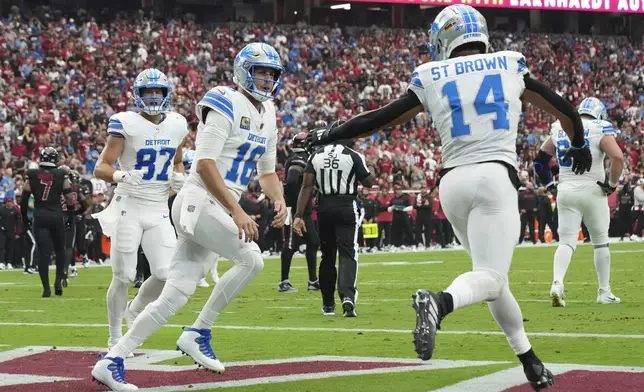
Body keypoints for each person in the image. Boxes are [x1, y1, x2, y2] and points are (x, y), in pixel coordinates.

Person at [306, 5, 594, 390]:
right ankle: (439, 303)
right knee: (490, 277)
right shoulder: (509, 64)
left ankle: (529, 360)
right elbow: (566, 111)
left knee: (489, 278)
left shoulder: (431, 74)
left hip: (453, 184)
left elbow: (379, 119)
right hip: (494, 177)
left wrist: (329, 134)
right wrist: (578, 145)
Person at [91, 43, 287, 391]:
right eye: (261, 71)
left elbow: (267, 170)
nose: (267, 78)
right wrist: (237, 210)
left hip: (216, 204)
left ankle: (112, 359)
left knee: (175, 293)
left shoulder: (269, 113)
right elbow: (205, 163)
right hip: (200, 199)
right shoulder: (225, 101)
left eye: (272, 73)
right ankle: (199, 331)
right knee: (251, 259)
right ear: (244, 70)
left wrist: (279, 199)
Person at [91, 68, 189, 354]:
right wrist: (120, 176)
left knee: (165, 272)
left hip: (159, 206)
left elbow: (177, 162)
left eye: (158, 92)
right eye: (148, 92)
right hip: (130, 206)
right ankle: (114, 337)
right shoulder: (125, 123)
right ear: (138, 95)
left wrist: (178, 178)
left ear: (166, 94)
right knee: (123, 275)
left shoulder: (177, 124)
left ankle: (134, 310)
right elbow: (101, 166)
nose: (154, 97)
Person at [535, 97, 624, 306]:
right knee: (600, 242)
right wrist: (611, 184)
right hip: (593, 190)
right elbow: (618, 158)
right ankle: (604, 292)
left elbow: (539, 162)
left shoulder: (560, 127)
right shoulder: (599, 127)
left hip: (565, 190)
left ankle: (557, 283)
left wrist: (549, 184)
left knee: (566, 242)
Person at [293, 136, 375, 317]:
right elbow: (369, 182)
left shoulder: (316, 155)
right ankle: (347, 297)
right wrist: (370, 167)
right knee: (347, 253)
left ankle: (328, 304)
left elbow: (307, 187)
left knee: (327, 256)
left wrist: (298, 215)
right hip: (346, 205)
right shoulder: (353, 155)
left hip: (324, 207)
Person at [20, 147, 77, 297]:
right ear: (56, 159)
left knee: (43, 253)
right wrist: (71, 216)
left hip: (40, 216)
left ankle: (46, 289)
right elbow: (69, 197)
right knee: (60, 250)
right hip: (56, 215)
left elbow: (24, 199)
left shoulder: (32, 174)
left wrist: (24, 217)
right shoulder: (61, 174)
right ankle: (58, 281)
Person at [279, 130, 321, 293]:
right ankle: (284, 282)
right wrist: (298, 207)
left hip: (304, 211)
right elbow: (291, 179)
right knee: (290, 245)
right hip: (295, 211)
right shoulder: (299, 161)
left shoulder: (303, 159)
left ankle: (312, 280)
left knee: (314, 242)